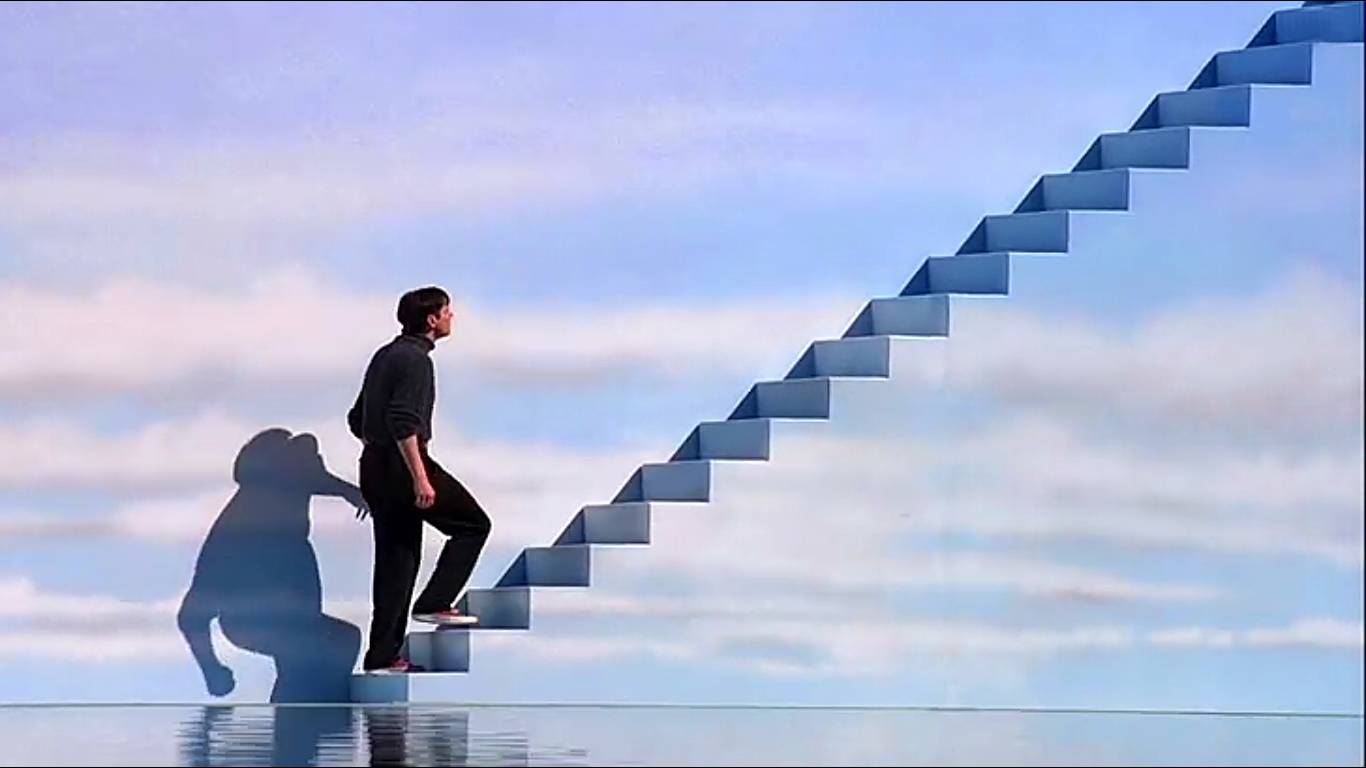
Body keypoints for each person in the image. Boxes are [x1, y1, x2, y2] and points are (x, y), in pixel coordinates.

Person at [348, 286, 492, 674]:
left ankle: (382, 656)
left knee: (397, 563)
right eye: (447, 311)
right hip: (403, 465)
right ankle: (435, 602)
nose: (451, 317)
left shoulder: (385, 355)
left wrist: (377, 457)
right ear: (431, 320)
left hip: (375, 466)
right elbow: (403, 421)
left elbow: (357, 420)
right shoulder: (416, 361)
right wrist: (419, 478)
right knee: (473, 525)